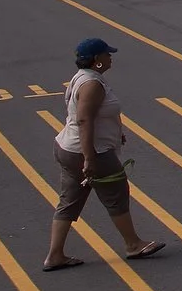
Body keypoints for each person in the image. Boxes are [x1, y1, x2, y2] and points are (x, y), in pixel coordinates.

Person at [43, 38, 164, 270]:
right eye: (107, 54)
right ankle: (133, 244)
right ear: (97, 59)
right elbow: (84, 120)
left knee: (69, 201)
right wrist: (89, 158)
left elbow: (92, 116)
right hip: (91, 151)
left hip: (68, 148)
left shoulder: (82, 77)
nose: (110, 58)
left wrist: (115, 132)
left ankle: (55, 255)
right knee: (116, 194)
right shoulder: (92, 84)